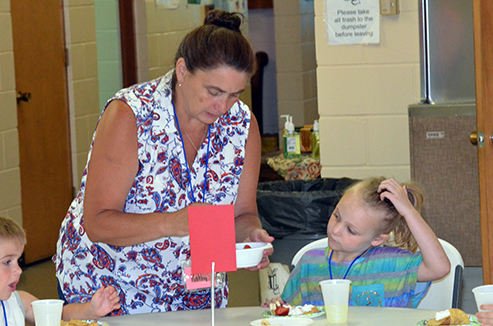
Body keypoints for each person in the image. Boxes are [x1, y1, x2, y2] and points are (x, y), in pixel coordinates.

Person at [54, 10, 273, 315]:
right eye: (213, 91)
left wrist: (250, 237)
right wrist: (173, 222)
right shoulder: (131, 115)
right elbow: (98, 222)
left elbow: (243, 214)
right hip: (111, 289)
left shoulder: (241, 125)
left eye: (235, 95)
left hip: (195, 290)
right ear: (182, 71)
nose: (222, 106)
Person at [263, 177, 450, 308]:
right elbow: (288, 309)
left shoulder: (391, 265)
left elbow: (439, 268)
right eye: (337, 216)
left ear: (377, 239)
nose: (335, 230)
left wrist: (409, 212)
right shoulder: (309, 264)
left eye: (351, 230)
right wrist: (276, 306)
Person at [0, 216, 120, 326]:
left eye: (18, 261)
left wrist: (91, 310)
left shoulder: (18, 300)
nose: (18, 270)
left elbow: (59, 315)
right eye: (7, 262)